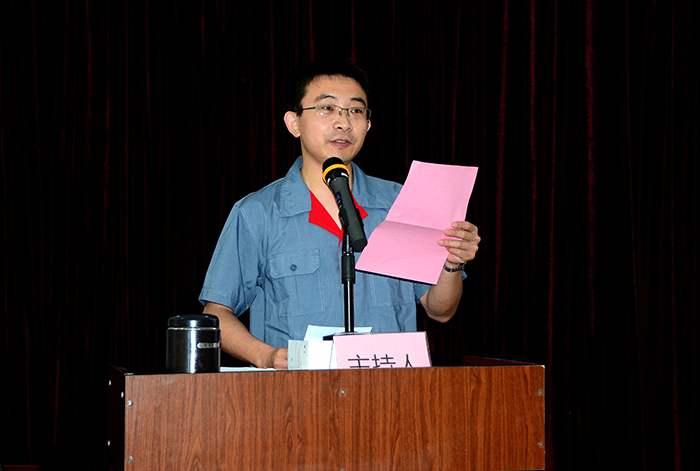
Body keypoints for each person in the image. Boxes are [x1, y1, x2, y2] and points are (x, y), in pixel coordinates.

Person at [199, 60, 480, 369]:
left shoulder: (401, 202)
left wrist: (452, 262)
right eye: (327, 109)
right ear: (294, 123)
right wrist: (266, 356)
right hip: (295, 392)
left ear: (368, 125)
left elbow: (440, 310)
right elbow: (217, 313)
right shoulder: (258, 213)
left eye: (355, 111)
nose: (344, 123)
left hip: (391, 389)